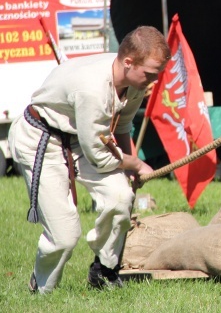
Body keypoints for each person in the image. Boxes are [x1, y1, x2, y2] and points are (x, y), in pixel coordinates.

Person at [8, 26, 170, 294]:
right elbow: (97, 153)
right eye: (150, 73)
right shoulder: (93, 88)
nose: (154, 81)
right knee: (64, 236)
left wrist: (128, 174)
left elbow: (121, 128)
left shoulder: (134, 82)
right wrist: (136, 164)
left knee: (120, 196)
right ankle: (41, 291)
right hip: (41, 138)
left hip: (81, 139)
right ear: (128, 62)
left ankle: (104, 269)